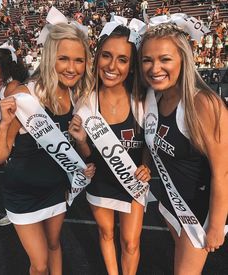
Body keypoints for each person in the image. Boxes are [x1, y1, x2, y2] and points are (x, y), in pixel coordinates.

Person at [0, 22, 95, 275]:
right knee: (39, 265)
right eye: (63, 58)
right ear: (50, 58)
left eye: (79, 60)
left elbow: (68, 146)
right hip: (23, 195)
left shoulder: (73, 96)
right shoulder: (26, 97)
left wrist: (83, 165)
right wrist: (4, 125)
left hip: (55, 190)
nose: (72, 68)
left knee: (54, 245)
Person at [139, 23, 228, 275]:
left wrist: (216, 226)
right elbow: (153, 145)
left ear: (183, 60)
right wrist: (146, 163)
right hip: (169, 204)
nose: (155, 68)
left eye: (165, 59)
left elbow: (223, 173)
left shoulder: (204, 104)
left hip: (197, 212)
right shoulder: (154, 99)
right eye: (147, 60)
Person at [69, 21, 151, 275]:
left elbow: (150, 145)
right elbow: (89, 158)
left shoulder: (144, 101)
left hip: (133, 182)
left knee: (130, 242)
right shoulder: (86, 103)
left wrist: (147, 165)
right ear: (97, 58)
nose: (112, 66)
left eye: (122, 59)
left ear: (132, 65)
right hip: (101, 182)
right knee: (106, 234)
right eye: (106, 55)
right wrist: (81, 141)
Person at [0, 44, 29, 228]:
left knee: (15, 178)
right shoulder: (5, 85)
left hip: (16, 142)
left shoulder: (12, 87)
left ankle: (18, 212)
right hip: (11, 141)